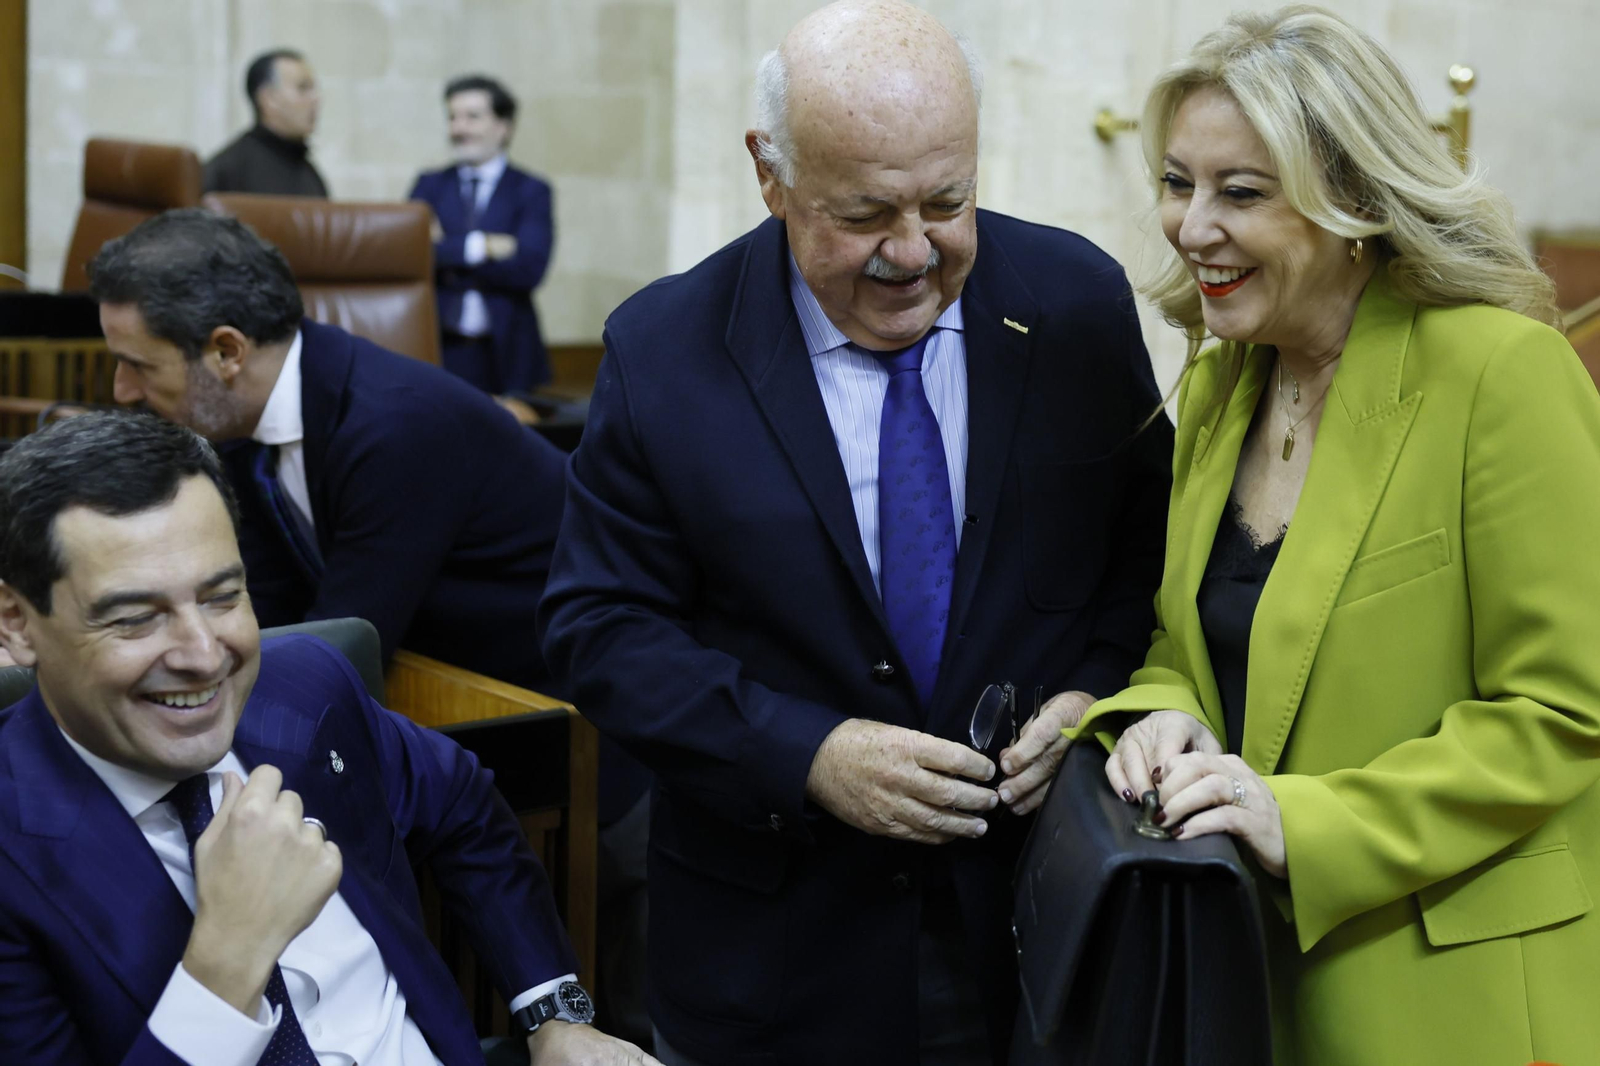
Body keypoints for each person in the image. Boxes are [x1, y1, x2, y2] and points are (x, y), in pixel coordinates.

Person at [537, 2, 1173, 1063]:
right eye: (866, 212)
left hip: (1039, 932)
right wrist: (808, 752)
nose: (913, 252)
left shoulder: (1074, 305)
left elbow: (1145, 566)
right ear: (770, 173)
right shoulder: (664, 350)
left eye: (947, 200)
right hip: (778, 955)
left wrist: (1092, 696)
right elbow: (598, 630)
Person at [1070, 8, 1600, 1065]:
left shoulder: (1499, 372)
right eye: (1177, 182)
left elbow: (1560, 708)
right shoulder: (1225, 379)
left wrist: (1300, 825)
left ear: (1351, 202)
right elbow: (1193, 640)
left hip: (1454, 999)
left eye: (1240, 192)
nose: (1190, 225)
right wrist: (1159, 715)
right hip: (1246, 987)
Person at [0, 411, 658, 1065]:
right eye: (138, 618)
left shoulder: (304, 692)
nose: (205, 656)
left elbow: (464, 803)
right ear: (17, 624)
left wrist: (555, 1016)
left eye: (223, 597)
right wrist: (229, 958)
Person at [88, 209, 567, 693]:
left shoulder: (396, 429)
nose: (122, 390)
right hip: (417, 677)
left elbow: (345, 648)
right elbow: (266, 600)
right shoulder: (236, 418)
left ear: (227, 353)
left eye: (136, 365)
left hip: (524, 701)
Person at [410, 75, 555, 395]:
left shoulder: (531, 190)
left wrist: (447, 253)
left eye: (472, 117)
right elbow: (412, 256)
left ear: (504, 126)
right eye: (452, 117)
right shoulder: (429, 185)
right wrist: (482, 246)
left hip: (506, 353)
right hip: (439, 346)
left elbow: (530, 268)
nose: (459, 128)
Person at [204, 49, 329, 198]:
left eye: (313, 88)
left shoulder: (309, 173)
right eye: (303, 88)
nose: (316, 98)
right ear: (269, 99)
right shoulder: (226, 171)